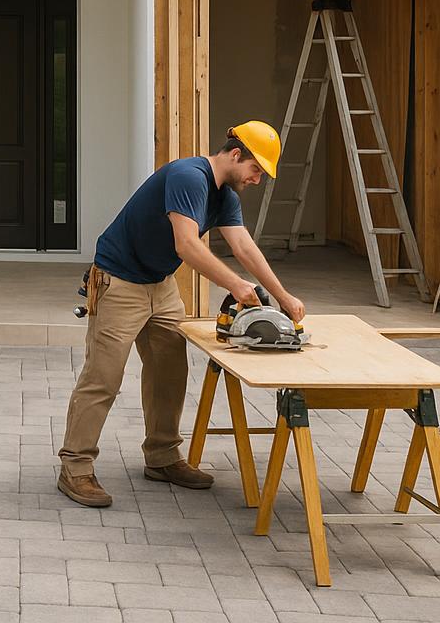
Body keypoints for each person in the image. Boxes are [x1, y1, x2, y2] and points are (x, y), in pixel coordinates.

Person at [56, 120, 307, 508]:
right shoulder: (188, 176)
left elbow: (244, 248)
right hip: (118, 282)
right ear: (236, 154)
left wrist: (283, 296)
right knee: (103, 377)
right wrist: (236, 286)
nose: (257, 179)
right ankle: (75, 467)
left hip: (161, 284)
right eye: (256, 170)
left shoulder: (226, 197)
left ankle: (162, 458)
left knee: (170, 372)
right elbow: (187, 245)